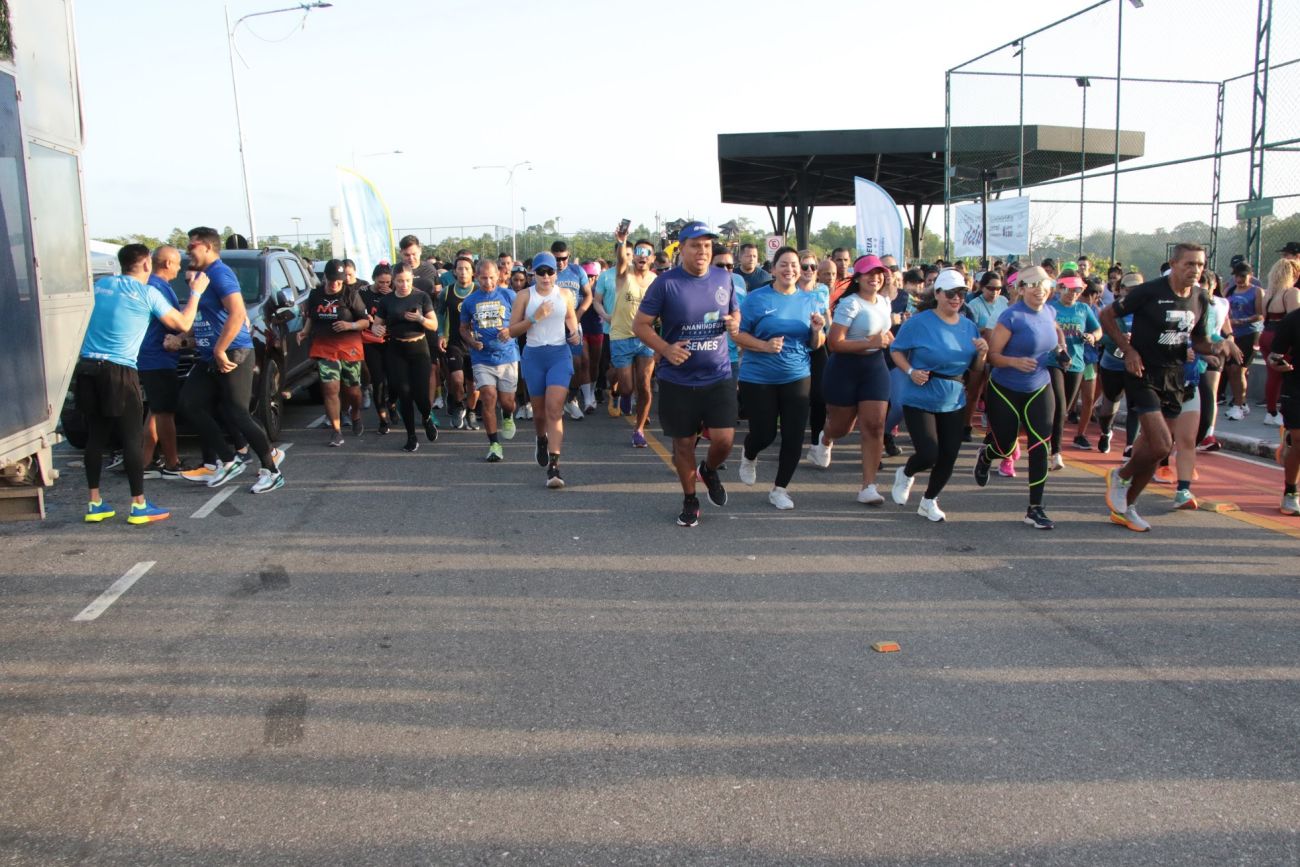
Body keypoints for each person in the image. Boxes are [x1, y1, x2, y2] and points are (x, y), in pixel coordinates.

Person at [1100, 243, 1242, 532]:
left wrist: (1218, 346)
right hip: (1142, 373)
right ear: (1174, 264)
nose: (1195, 269)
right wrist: (1128, 350)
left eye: (1200, 265)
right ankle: (1121, 475)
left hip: (1175, 377)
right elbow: (1106, 316)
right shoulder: (1149, 291)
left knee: (1153, 449)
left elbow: (1199, 341)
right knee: (1163, 445)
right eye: (1189, 263)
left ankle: (1128, 506)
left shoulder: (1201, 298)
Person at [77, 244, 210, 523]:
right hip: (119, 370)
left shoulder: (101, 286)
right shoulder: (147, 293)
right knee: (131, 438)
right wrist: (196, 293)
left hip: (87, 367)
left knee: (96, 437)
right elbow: (183, 324)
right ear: (147, 264)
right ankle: (138, 505)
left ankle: (94, 503)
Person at [633, 222, 740, 526]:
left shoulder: (724, 277)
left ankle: (709, 469)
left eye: (707, 245)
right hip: (678, 379)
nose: (702, 251)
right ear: (681, 249)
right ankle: (690, 498)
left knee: (724, 440)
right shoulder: (665, 283)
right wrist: (665, 349)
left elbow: (735, 312)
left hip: (718, 374)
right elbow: (640, 325)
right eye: (695, 245)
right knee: (683, 444)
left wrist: (735, 321)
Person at [177, 227, 283, 493]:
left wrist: (220, 349)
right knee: (190, 403)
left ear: (208, 247)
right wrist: (182, 338)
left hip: (234, 353)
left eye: (192, 246)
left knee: (238, 413)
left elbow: (237, 313)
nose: (188, 251)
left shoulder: (220, 273)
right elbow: (208, 318)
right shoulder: (203, 277)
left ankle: (271, 470)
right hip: (209, 356)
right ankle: (228, 459)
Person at [888, 269, 989, 521]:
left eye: (961, 293)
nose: (956, 298)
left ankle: (929, 501)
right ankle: (906, 473)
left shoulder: (969, 326)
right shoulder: (918, 322)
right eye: (951, 293)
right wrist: (910, 371)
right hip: (920, 395)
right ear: (938, 294)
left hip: (953, 397)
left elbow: (976, 368)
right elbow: (896, 350)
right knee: (928, 453)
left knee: (949, 455)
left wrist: (982, 354)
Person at [733, 246, 826, 510]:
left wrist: (817, 331)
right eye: (783, 264)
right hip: (758, 376)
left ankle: (780, 489)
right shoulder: (757, 299)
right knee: (764, 434)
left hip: (797, 375)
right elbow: (737, 334)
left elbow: (816, 344)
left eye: (795, 265)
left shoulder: (810, 300)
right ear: (773, 269)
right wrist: (764, 346)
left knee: (794, 436)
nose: (790, 269)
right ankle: (749, 453)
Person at [973, 265, 1059, 529]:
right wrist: (1014, 362)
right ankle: (987, 456)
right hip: (1005, 389)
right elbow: (993, 357)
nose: (1039, 290)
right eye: (1032, 285)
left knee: (1040, 446)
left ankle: (1035, 508)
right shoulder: (1011, 316)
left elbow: (1055, 332)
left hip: (1040, 387)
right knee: (1005, 447)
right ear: (1020, 289)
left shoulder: (1050, 311)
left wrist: (1062, 349)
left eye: (1043, 285)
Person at [809, 254, 893, 505]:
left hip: (874, 367)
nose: (875, 278)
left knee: (875, 426)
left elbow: (882, 331)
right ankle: (825, 439)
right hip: (845, 368)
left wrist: (887, 338)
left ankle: (869, 486)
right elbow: (835, 343)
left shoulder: (884, 302)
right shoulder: (850, 303)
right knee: (841, 428)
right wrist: (869, 342)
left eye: (879, 273)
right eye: (869, 273)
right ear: (857, 277)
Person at [505, 251, 582, 488]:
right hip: (534, 356)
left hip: (559, 355)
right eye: (541, 272)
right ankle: (541, 439)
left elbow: (571, 319)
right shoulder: (524, 296)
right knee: (539, 414)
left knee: (554, 409)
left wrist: (575, 335)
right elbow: (512, 331)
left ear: (556, 273)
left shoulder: (565, 294)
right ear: (533, 274)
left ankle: (554, 467)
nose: (546, 276)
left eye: (550, 272)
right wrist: (535, 318)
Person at [298, 259, 370, 447]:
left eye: (339, 281)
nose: (335, 285)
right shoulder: (316, 295)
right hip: (325, 347)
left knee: (352, 390)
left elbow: (365, 321)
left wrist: (349, 325)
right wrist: (305, 332)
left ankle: (355, 413)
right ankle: (336, 430)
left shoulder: (350, 294)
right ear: (325, 278)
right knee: (330, 389)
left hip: (349, 347)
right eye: (331, 281)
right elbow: (312, 317)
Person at [373, 262, 440, 452]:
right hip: (396, 350)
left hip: (419, 349)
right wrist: (377, 329)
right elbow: (376, 324)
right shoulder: (387, 301)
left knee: (421, 395)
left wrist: (420, 318)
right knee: (404, 393)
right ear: (393, 281)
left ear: (412, 279)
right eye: (400, 281)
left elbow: (434, 325)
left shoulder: (421, 296)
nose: (404, 285)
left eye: (408, 281)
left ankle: (426, 418)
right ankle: (411, 436)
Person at [459, 259, 519, 462]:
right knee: (488, 397)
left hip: (507, 355)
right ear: (476, 277)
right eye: (483, 278)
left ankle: (508, 415)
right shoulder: (470, 301)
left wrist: (510, 330)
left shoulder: (509, 295)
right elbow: (463, 328)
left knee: (507, 403)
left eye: (491, 277)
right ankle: (494, 445)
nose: (488, 282)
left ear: (499, 275)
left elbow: (521, 321)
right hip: (482, 358)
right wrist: (471, 342)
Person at [137, 245, 189, 479]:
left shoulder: (153, 285)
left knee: (156, 411)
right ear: (167, 263)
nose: (179, 268)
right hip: (158, 358)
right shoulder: (157, 287)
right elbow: (176, 323)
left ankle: (145, 461)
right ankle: (171, 463)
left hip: (152, 358)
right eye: (177, 263)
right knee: (165, 412)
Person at [608, 226, 659, 447]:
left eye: (647, 253)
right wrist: (622, 241)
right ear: (634, 256)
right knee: (628, 387)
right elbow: (621, 260)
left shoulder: (656, 281)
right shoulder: (624, 274)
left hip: (646, 337)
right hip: (621, 336)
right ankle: (621, 394)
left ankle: (638, 430)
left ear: (652, 259)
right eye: (638, 252)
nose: (642, 256)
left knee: (645, 384)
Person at [1047, 271, 1101, 461]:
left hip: (1076, 363)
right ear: (1060, 288)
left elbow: (1098, 330)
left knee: (1064, 410)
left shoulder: (1083, 309)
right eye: (1069, 289)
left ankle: (1048, 436)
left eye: (1077, 290)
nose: (1073, 294)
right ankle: (1056, 452)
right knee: (1060, 405)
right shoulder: (1050, 308)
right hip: (1053, 361)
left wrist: (1092, 336)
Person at [962, 270, 1008, 441]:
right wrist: (988, 330)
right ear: (982, 287)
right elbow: (970, 330)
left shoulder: (1004, 301)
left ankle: (991, 430)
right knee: (974, 392)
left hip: (997, 352)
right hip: (978, 353)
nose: (995, 292)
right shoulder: (974, 305)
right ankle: (966, 425)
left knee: (993, 395)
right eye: (991, 288)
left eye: (998, 288)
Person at [552, 240, 592, 421]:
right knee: (555, 365)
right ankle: (557, 401)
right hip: (552, 325)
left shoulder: (577, 271)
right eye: (557, 259)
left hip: (573, 323)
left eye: (563, 258)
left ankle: (572, 398)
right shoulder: (547, 272)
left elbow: (588, 295)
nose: (560, 262)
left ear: (568, 256)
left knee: (577, 363)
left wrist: (579, 314)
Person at [796, 249, 832, 449]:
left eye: (813, 266)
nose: (809, 270)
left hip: (818, 343)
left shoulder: (822, 290)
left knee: (820, 395)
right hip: (795, 345)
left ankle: (816, 440)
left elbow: (827, 315)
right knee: (798, 395)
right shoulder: (790, 290)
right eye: (804, 266)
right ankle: (792, 434)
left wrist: (832, 335)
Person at [1266, 306, 1300, 514]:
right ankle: (1290, 492)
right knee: (1299, 439)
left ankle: (1289, 443)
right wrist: (1276, 363)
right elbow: (1273, 356)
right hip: (1296, 386)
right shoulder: (1293, 319)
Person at [1259, 258, 1300, 426]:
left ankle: (1271, 412)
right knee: (1288, 375)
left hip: (1266, 334)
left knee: (1273, 375)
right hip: (1281, 337)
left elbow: (1264, 316)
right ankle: (1282, 412)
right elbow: (1294, 321)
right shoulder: (1291, 292)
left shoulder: (1268, 294)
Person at [440, 256, 480, 429]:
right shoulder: (446, 292)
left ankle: (471, 411)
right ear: (454, 271)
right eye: (460, 269)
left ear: (473, 272)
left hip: (476, 343)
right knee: (457, 379)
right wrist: (441, 334)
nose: (463, 272)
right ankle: (458, 406)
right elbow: (440, 314)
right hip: (455, 342)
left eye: (467, 268)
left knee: (474, 383)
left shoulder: (479, 290)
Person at [1224, 261, 1264, 421]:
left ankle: (1238, 405)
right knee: (1230, 369)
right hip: (1233, 334)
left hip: (1249, 333)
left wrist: (1243, 320)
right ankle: (1240, 400)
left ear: (1250, 275)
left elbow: (1260, 314)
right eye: (1236, 276)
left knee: (1239, 369)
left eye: (1242, 276)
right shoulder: (1230, 290)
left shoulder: (1256, 291)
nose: (1239, 279)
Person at [359, 264, 394, 434]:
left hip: (391, 341)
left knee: (394, 380)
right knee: (378, 381)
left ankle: (392, 405)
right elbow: (357, 312)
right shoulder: (363, 292)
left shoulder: (395, 292)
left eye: (388, 282)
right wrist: (366, 318)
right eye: (381, 282)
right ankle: (382, 419)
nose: (384, 286)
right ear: (373, 279)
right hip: (371, 341)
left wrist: (393, 296)